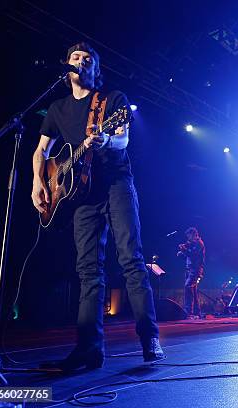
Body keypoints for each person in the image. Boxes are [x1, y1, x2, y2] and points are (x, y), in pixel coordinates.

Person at [31, 42, 164, 371]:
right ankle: (89, 349)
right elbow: (41, 151)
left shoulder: (112, 101)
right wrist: (38, 181)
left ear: (95, 69)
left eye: (87, 60)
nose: (80, 62)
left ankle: (149, 338)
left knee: (131, 259)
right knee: (88, 270)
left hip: (116, 183)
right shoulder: (58, 108)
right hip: (81, 195)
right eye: (75, 58)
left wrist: (107, 141)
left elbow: (123, 138)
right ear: (67, 66)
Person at [176, 227, 206, 318]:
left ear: (193, 234)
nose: (188, 238)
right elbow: (188, 256)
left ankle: (188, 310)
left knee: (188, 286)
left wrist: (184, 250)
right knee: (193, 290)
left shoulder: (199, 243)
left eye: (189, 236)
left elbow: (193, 254)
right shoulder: (192, 243)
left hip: (195, 269)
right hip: (189, 269)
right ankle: (197, 312)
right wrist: (182, 253)